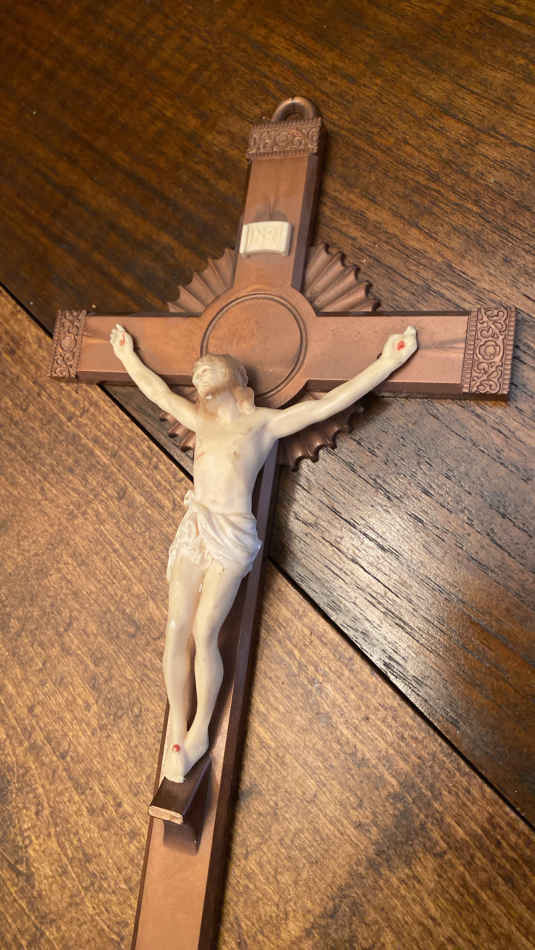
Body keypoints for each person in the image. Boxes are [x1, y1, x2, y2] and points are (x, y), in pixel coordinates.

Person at [110, 323, 418, 781]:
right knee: (175, 628)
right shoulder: (200, 421)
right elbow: (157, 392)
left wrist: (387, 361)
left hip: (232, 534)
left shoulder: (263, 424)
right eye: (195, 373)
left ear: (237, 379)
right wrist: (126, 357)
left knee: (205, 629)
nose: (197, 375)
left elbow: (328, 404)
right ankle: (177, 728)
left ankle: (199, 730)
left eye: (208, 368)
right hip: (194, 527)